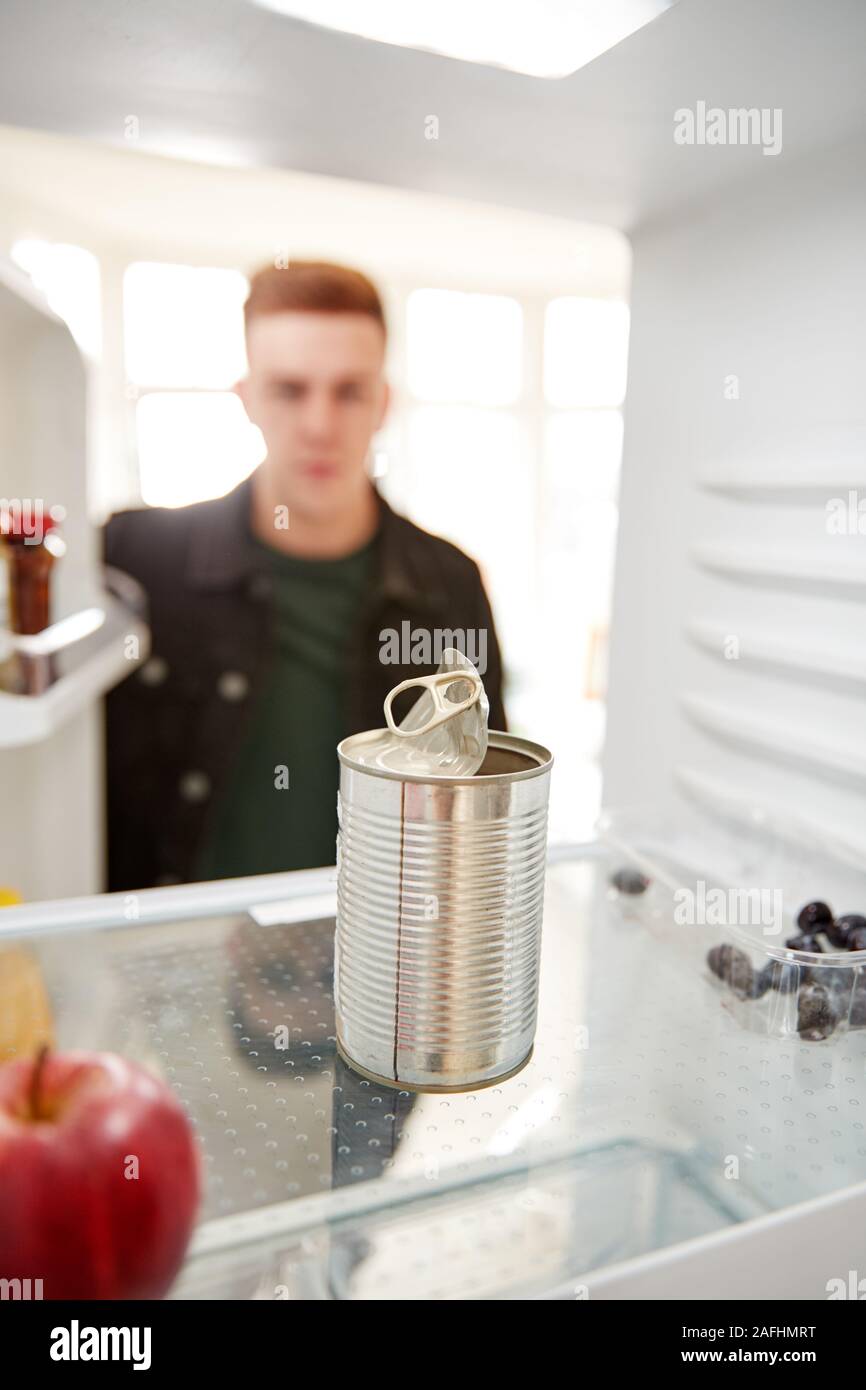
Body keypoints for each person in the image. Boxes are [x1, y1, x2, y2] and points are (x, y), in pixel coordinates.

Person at [103, 260, 507, 891]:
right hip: (169, 964)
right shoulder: (137, 558)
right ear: (248, 400)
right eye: (290, 390)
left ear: (383, 403)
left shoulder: (449, 583)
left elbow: (480, 814)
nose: (320, 425)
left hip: (373, 961)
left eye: (349, 391)